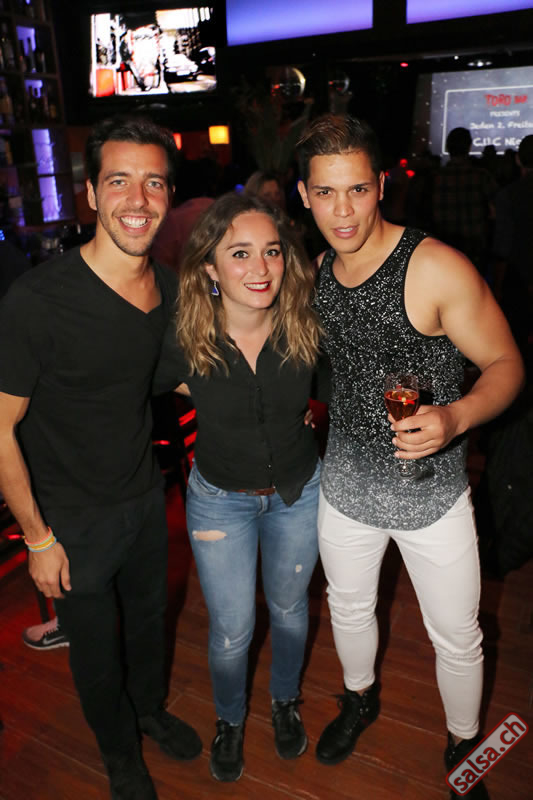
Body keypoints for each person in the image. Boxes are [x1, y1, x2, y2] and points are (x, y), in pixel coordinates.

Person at [295, 114, 524, 799]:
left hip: (431, 494)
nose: (343, 211)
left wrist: (455, 416)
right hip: (345, 488)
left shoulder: (435, 266)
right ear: (303, 195)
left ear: (380, 185)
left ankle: (462, 743)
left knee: (456, 636)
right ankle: (358, 698)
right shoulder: (317, 273)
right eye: (326, 192)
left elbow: (506, 364)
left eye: (357, 190)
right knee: (347, 610)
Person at [0, 116, 202, 800]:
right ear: (90, 194)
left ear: (168, 195)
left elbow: (176, 377)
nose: (137, 200)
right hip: (71, 519)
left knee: (148, 626)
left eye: (154, 183)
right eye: (119, 181)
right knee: (95, 650)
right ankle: (119, 755)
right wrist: (38, 538)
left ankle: (147, 711)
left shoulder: (170, 289)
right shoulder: (37, 301)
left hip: (144, 497)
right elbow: (1, 428)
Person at [153, 192, 327, 782]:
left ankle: (284, 701)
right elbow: (127, 387)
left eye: (272, 252)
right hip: (220, 502)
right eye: (240, 253)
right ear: (209, 266)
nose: (260, 268)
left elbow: (340, 384)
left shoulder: (305, 324)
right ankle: (229, 719)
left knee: (291, 611)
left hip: (298, 494)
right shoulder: (183, 337)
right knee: (232, 631)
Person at [431, 127, 498, 275]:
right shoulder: (482, 176)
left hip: (443, 245)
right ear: (469, 146)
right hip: (475, 247)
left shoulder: (434, 178)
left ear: (448, 147)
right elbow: (497, 209)